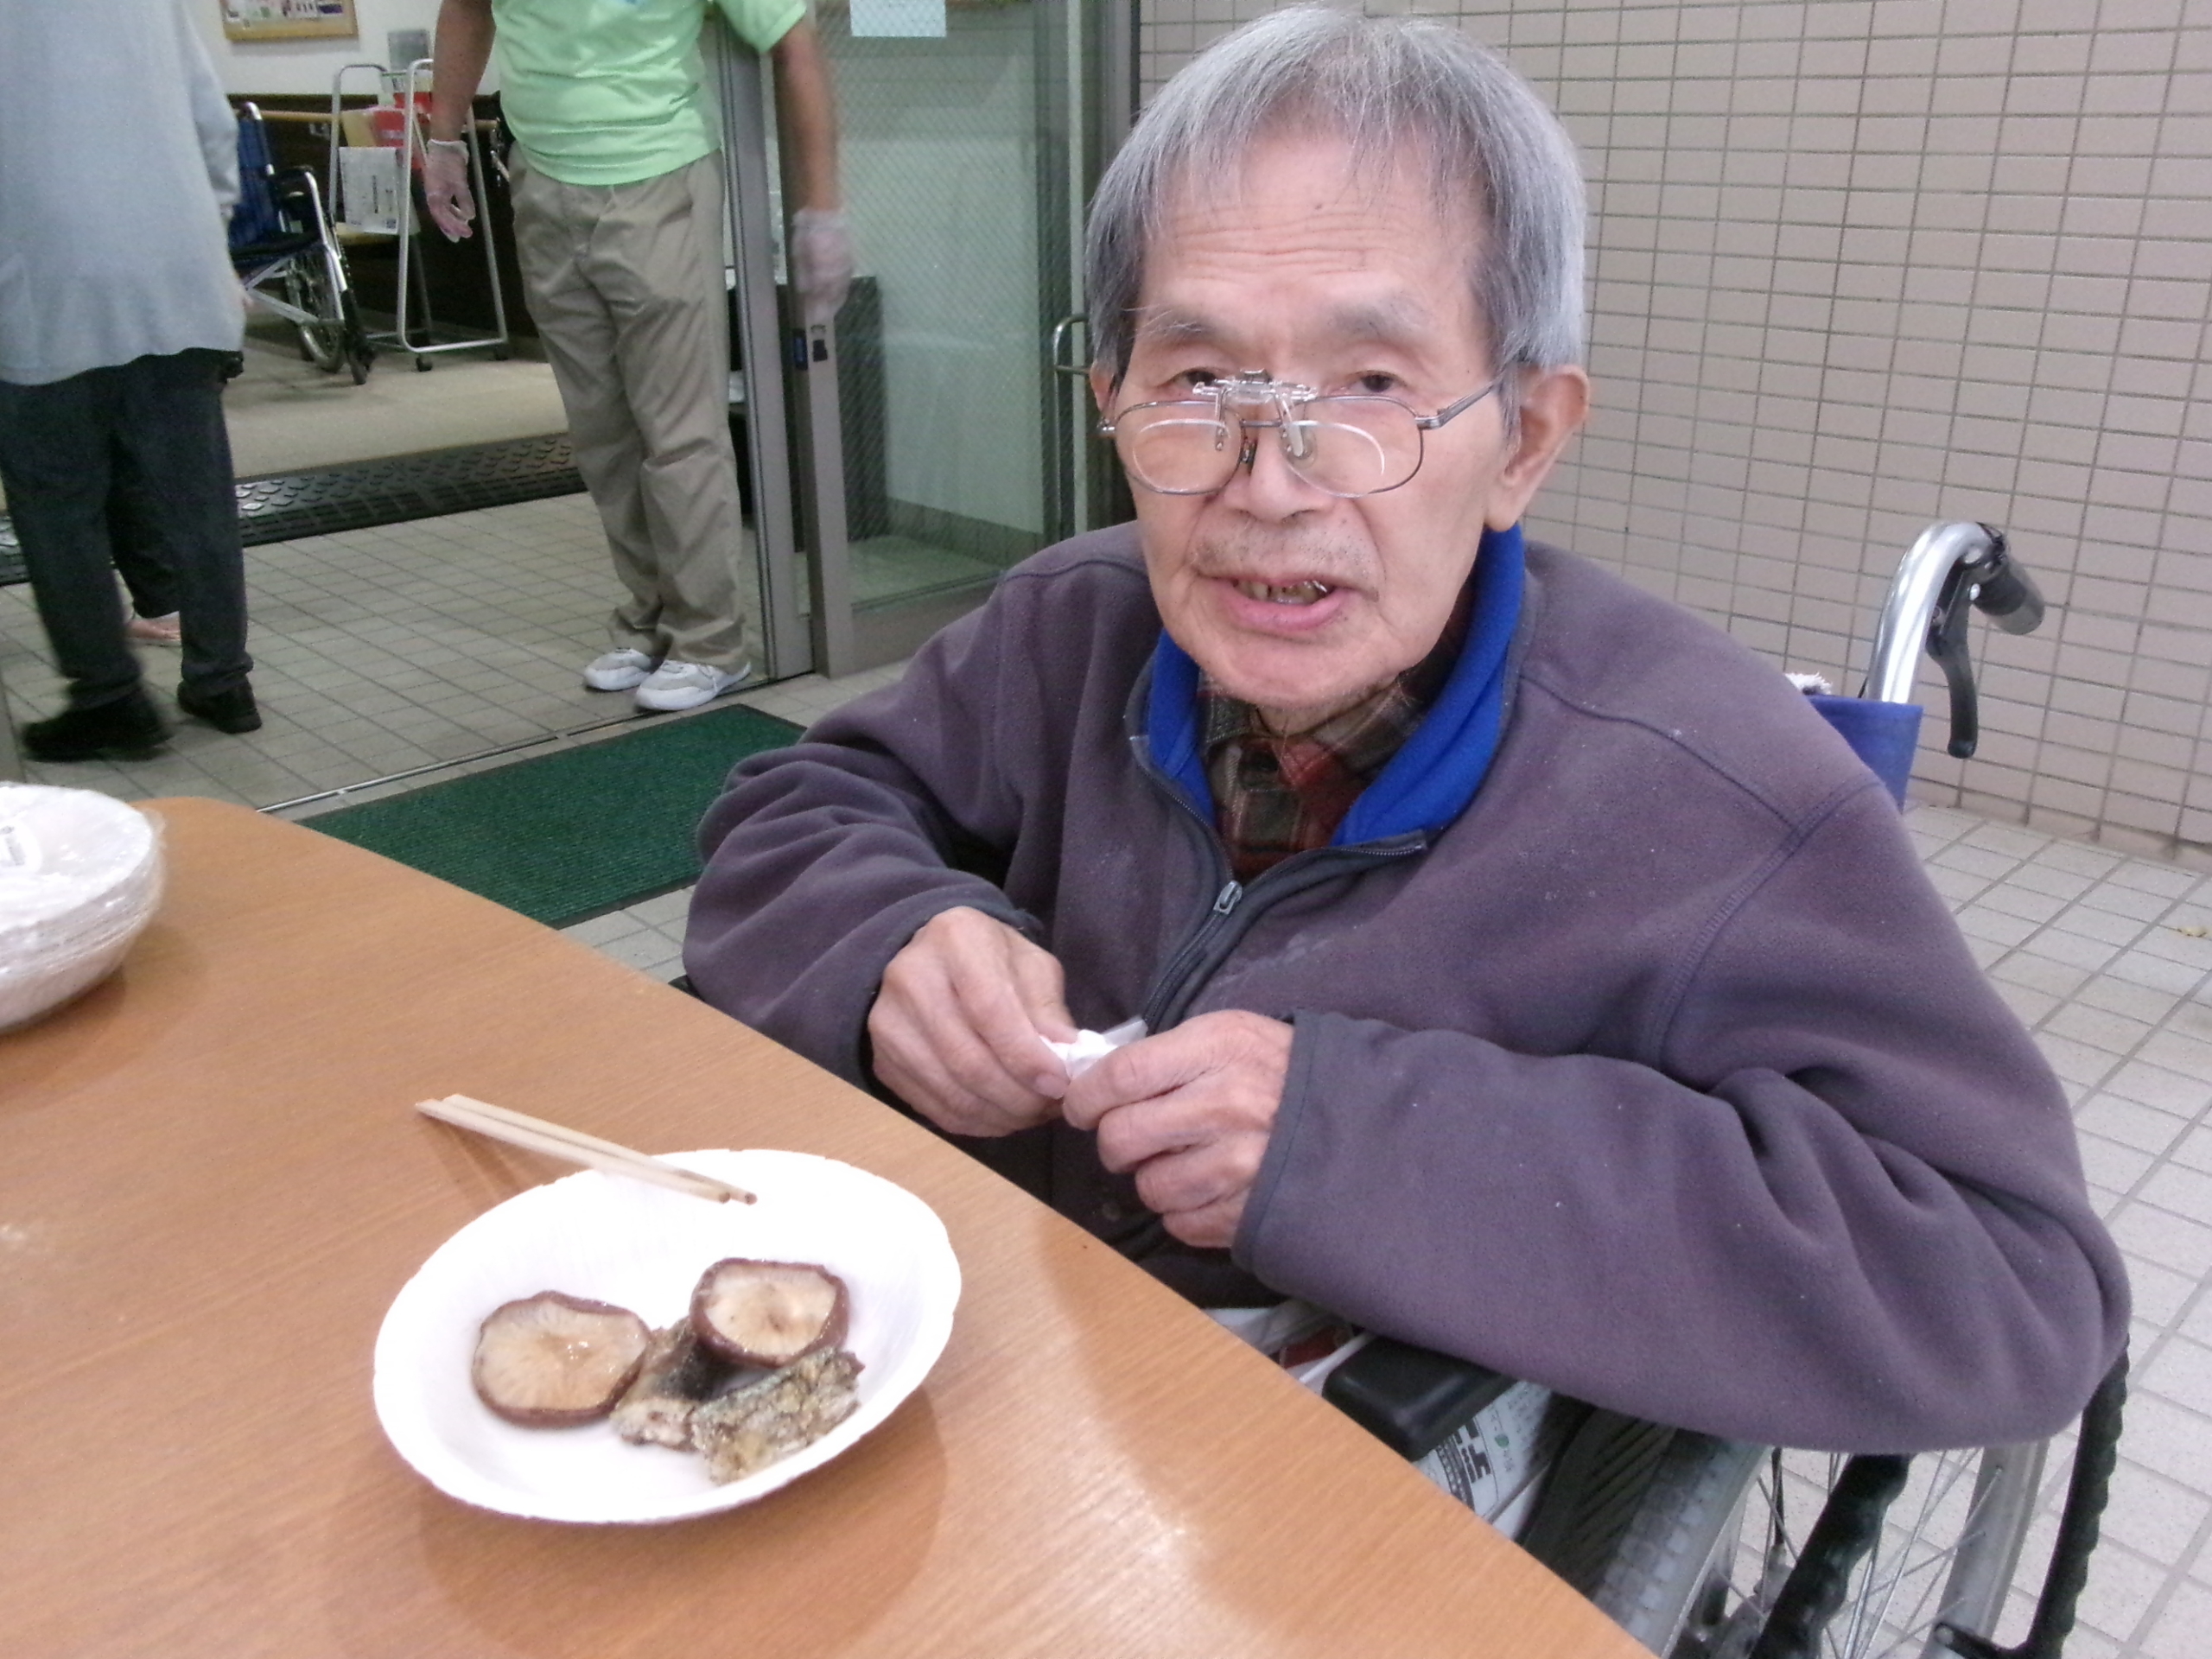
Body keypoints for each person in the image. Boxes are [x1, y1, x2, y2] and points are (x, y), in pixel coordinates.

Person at [683, 9, 2126, 1454]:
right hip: (1019, 1371)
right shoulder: (1071, 626)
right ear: (1114, 401)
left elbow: (2008, 1280)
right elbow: (790, 819)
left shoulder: (1717, 796)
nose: (1270, 484)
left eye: (1369, 386)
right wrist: (891, 945)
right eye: (1199, 383)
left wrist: (1352, 1146)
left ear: (1528, 438)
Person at [426, 0, 850, 713]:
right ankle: (649, 619)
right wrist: (443, 141)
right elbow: (466, 10)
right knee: (601, 432)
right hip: (539, 178)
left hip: (659, 176)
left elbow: (795, 44)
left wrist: (821, 209)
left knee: (679, 432)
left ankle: (711, 642)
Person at [0, 0, 261, 762]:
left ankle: (110, 698)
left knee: (58, 507)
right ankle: (222, 682)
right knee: (196, 497)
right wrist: (200, 233)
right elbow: (212, 120)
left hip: (44, 281)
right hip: (174, 271)